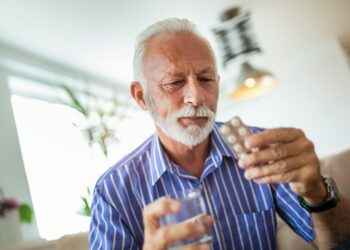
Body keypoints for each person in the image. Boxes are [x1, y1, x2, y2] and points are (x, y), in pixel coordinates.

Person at [89, 18, 350, 250]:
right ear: (141, 96)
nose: (197, 97)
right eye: (175, 83)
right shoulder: (112, 193)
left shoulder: (262, 151)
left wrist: (317, 192)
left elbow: (336, 242)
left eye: (205, 80)